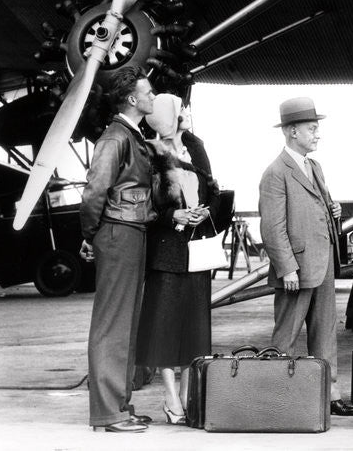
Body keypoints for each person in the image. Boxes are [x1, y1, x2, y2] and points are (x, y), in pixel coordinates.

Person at [259, 97, 353, 417]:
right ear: (292, 132)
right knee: (285, 336)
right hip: (297, 269)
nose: (317, 135)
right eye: (312, 129)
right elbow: (272, 227)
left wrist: (334, 213)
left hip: (323, 263)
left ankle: (330, 396)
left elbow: (318, 207)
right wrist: (287, 267)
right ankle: (274, 397)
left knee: (325, 332)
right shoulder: (276, 173)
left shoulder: (314, 166)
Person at [79, 66, 157, 433]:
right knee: (113, 323)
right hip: (118, 232)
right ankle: (109, 412)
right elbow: (95, 190)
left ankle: (120, 404)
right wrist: (90, 233)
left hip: (131, 231)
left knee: (126, 322)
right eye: (149, 92)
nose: (153, 97)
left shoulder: (131, 135)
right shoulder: (115, 138)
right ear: (131, 99)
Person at [136, 94, 222, 425]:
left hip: (197, 251)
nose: (185, 112)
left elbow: (214, 189)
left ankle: (186, 395)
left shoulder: (195, 146)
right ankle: (170, 396)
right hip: (167, 254)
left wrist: (205, 212)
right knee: (165, 327)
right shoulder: (148, 152)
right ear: (167, 116)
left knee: (195, 327)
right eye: (179, 108)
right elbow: (146, 206)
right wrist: (176, 216)